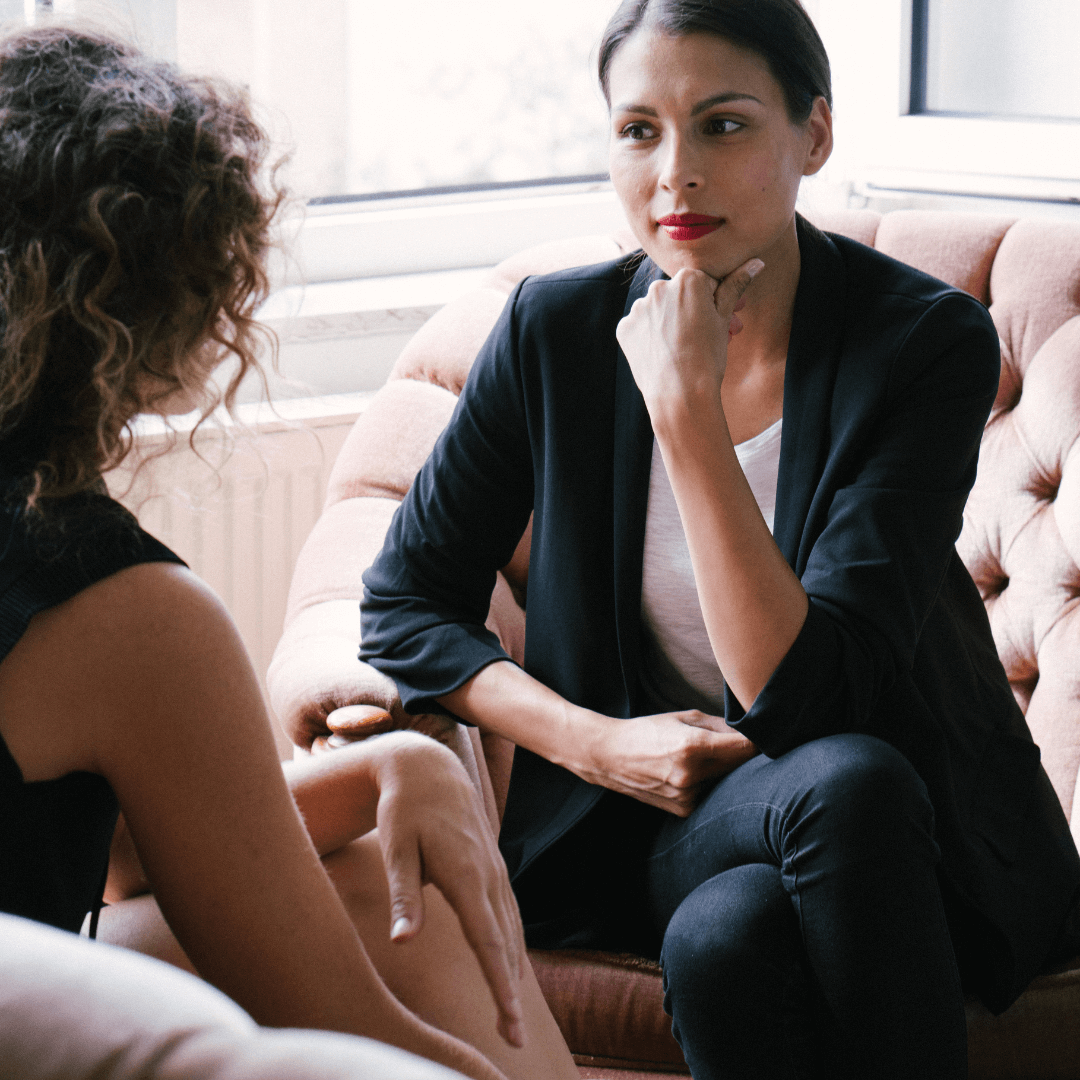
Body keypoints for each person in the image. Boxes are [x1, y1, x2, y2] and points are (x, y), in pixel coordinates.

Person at [353, 1, 1080, 1077]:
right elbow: (403, 605)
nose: (674, 174)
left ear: (814, 137)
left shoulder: (923, 344)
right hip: (634, 828)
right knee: (784, 852)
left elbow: (808, 702)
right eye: (639, 130)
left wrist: (686, 418)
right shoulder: (551, 334)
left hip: (898, 827)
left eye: (724, 125)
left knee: (737, 926)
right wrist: (596, 743)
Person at [0, 22, 579, 1080]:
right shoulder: (120, 611)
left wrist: (385, 766)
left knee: (374, 879)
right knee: (417, 922)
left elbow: (130, 859)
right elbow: (345, 1032)